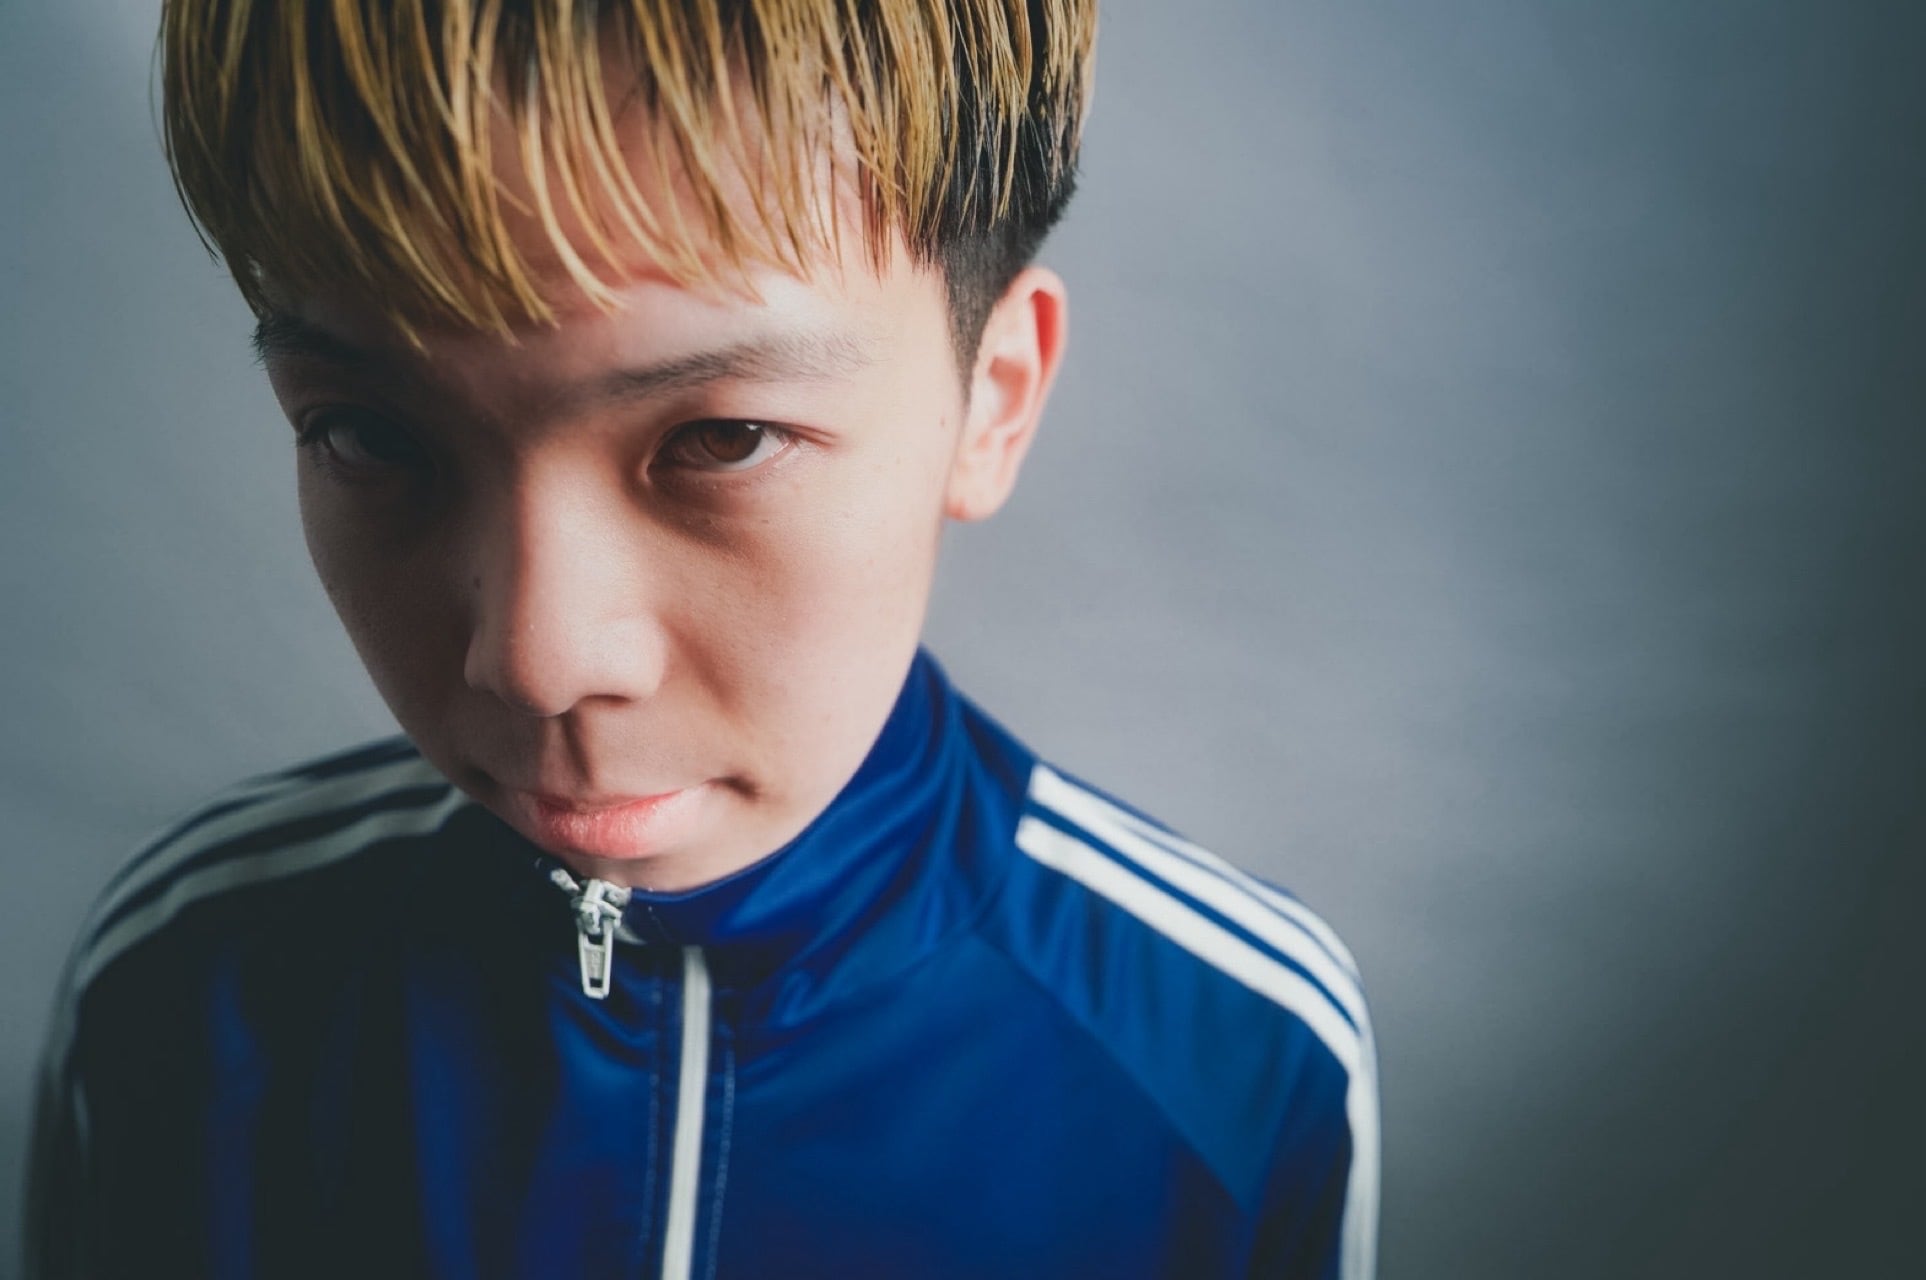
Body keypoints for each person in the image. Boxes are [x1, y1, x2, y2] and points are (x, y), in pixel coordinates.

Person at [25, 1, 1378, 1276]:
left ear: (995, 399)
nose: (537, 662)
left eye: (722, 439)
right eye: (370, 434)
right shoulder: (181, 988)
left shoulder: (1238, 1059)